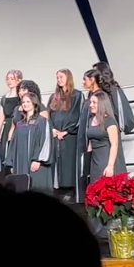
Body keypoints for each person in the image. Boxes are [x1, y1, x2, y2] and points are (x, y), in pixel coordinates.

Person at [5, 92, 54, 194]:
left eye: (28, 101)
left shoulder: (42, 121)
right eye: (23, 102)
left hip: (35, 164)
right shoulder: (20, 124)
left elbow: (45, 142)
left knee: (36, 192)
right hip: (21, 164)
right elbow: (14, 145)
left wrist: (38, 160)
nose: (25, 104)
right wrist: (11, 162)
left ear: (34, 103)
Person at [47, 69, 84, 197]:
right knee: (56, 161)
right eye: (57, 77)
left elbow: (78, 115)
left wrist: (67, 131)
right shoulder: (54, 97)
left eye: (61, 77)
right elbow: (48, 115)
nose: (59, 79)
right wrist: (52, 129)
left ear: (68, 77)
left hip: (70, 136)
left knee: (69, 162)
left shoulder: (77, 95)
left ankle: (70, 189)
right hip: (55, 134)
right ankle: (58, 188)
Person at [86, 91, 126, 183]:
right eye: (90, 102)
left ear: (102, 104)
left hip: (106, 160)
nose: (91, 105)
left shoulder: (109, 121)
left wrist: (110, 166)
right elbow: (90, 142)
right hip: (94, 162)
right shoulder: (90, 120)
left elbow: (114, 144)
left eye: (94, 102)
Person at [92, 61, 134, 134]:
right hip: (99, 128)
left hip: (111, 128)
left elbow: (120, 110)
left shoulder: (114, 90)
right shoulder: (97, 91)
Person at [0, 70, 22, 181]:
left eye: (12, 78)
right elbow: (0, 117)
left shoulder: (21, 97)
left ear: (19, 80)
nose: (9, 81)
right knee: (4, 154)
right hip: (7, 128)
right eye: (7, 78)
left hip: (18, 125)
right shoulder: (4, 98)